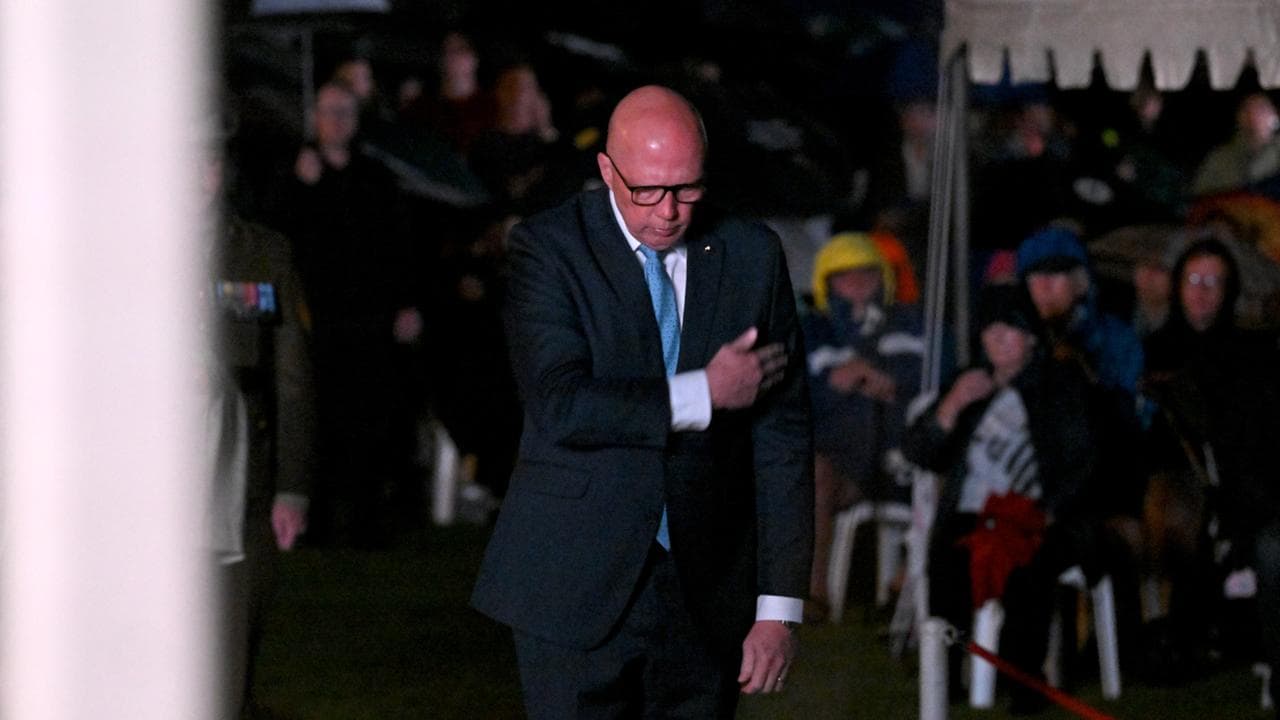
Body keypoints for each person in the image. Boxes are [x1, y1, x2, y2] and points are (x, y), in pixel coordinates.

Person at [470, 85, 814, 718]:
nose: (668, 212)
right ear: (606, 171)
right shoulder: (550, 250)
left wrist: (778, 608)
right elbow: (561, 404)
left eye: (686, 188)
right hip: (572, 584)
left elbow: (783, 439)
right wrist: (702, 393)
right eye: (646, 191)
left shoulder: (750, 254)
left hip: (706, 592)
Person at [904, 283, 1104, 714]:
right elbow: (918, 450)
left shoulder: (1059, 385)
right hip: (974, 514)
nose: (996, 338)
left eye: (1008, 329)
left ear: (1030, 336)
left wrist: (1050, 513)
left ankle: (1024, 680)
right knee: (946, 559)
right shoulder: (970, 383)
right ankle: (946, 675)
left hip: (1041, 516)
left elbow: (1084, 462)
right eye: (989, 329)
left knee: (1028, 568)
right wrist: (952, 407)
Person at [201, 121, 317, 719]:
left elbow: (292, 377)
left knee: (228, 647)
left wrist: (292, 485)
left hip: (236, 475)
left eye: (207, 162)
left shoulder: (262, 252)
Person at [1141, 235, 1280, 689]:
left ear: (1228, 291)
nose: (1201, 292)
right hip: (1172, 478)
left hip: (1234, 478)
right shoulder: (1156, 348)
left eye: (1213, 282)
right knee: (1180, 514)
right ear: (1178, 285)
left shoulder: (1246, 351)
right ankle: (1174, 636)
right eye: (1193, 279)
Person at [801, 231, 925, 622]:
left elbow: (932, 382)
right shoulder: (811, 330)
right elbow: (797, 397)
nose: (856, 286)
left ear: (883, 278)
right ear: (825, 282)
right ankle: (813, 594)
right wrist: (836, 385)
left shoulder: (910, 324)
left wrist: (884, 382)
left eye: (866, 275)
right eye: (844, 277)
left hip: (902, 459)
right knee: (814, 473)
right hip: (846, 463)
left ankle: (901, 592)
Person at [1192, 92, 1280, 196]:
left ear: (1275, 117)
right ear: (1238, 117)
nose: (1253, 116)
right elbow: (1200, 199)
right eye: (1247, 110)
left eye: (1261, 109)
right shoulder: (1219, 159)